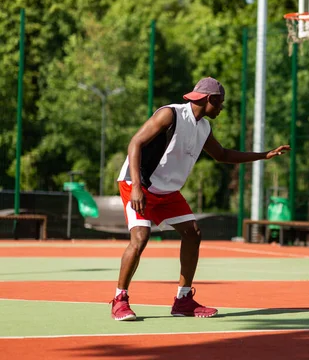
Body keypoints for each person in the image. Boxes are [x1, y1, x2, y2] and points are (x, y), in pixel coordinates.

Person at [111, 77, 290, 321]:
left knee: (193, 233)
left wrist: (264, 155)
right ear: (210, 99)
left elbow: (223, 154)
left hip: (167, 191)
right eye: (221, 103)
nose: (222, 108)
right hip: (139, 183)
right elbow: (135, 143)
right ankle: (120, 299)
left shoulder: (203, 128)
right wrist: (136, 187)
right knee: (141, 237)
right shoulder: (170, 115)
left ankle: (183, 300)